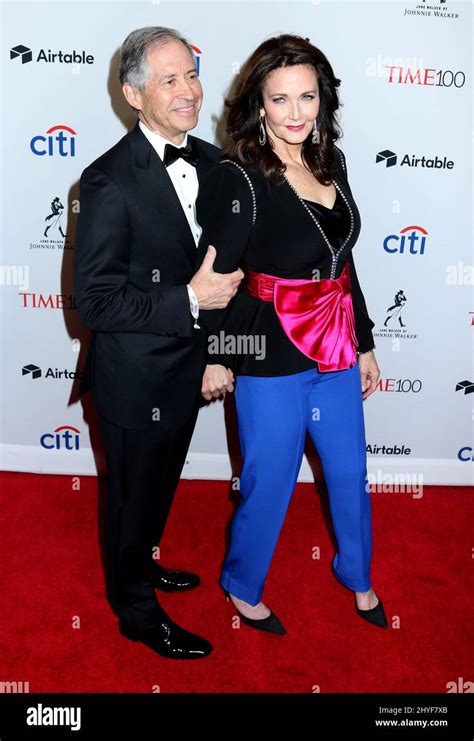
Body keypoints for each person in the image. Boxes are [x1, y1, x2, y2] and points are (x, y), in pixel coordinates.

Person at [196, 34, 388, 634]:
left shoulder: (334, 161)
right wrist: (217, 355)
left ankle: (356, 574)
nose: (296, 113)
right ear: (259, 104)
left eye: (308, 97)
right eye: (281, 100)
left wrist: (364, 340)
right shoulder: (241, 177)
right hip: (267, 350)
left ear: (323, 100)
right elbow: (216, 277)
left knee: (349, 473)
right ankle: (242, 583)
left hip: (334, 342)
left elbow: (343, 263)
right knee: (269, 479)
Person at [73, 26, 243, 659]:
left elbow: (225, 268)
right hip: (135, 377)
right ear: (133, 94)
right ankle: (136, 612)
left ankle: (141, 564)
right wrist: (190, 302)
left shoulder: (212, 161)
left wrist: (218, 348)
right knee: (131, 495)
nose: (188, 92)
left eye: (192, 75)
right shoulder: (107, 182)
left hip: (188, 368)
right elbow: (96, 302)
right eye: (169, 80)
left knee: (159, 487)